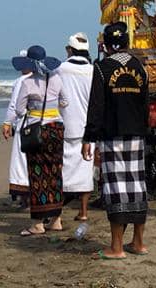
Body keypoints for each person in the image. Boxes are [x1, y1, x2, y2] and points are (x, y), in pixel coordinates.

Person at [83, 21, 149, 259]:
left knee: (115, 189)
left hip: (112, 135)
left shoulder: (102, 68)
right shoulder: (140, 68)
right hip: (137, 135)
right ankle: (139, 243)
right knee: (138, 187)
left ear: (107, 45)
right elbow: (145, 105)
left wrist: (89, 136)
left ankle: (117, 247)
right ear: (127, 43)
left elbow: (96, 105)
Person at [13, 44, 69, 236]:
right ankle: (56, 220)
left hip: (38, 129)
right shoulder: (57, 79)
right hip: (56, 129)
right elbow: (65, 101)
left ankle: (37, 224)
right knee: (55, 172)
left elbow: (19, 110)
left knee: (38, 175)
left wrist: (32, 109)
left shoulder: (28, 83)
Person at [58, 33, 95, 222]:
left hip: (66, 124)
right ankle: (83, 211)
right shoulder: (93, 70)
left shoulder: (61, 69)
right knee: (85, 170)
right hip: (87, 127)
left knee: (62, 168)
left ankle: (57, 212)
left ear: (69, 50)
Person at [3, 51, 33, 207]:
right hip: (42, 123)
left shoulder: (21, 81)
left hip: (25, 123)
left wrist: (8, 123)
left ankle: (24, 197)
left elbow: (14, 105)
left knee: (21, 160)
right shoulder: (43, 79)